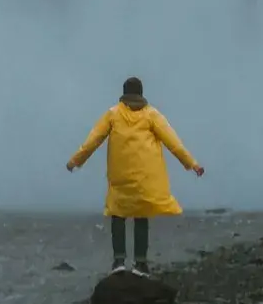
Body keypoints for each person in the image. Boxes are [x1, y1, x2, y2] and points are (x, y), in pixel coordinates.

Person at [66, 76, 203, 276]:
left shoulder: (113, 114)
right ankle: (140, 264)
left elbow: (92, 141)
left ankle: (119, 261)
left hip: (120, 177)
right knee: (141, 215)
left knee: (118, 214)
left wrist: (75, 161)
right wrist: (192, 164)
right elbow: (174, 143)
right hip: (145, 178)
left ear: (123, 93)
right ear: (141, 93)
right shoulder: (151, 115)